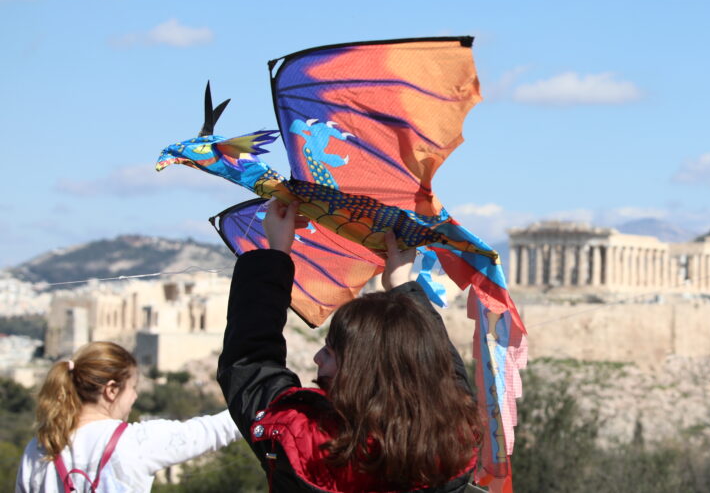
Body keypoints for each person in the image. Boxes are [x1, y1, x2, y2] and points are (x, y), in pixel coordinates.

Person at [218, 199, 479, 493]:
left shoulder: (300, 441)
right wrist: (403, 289)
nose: (317, 357)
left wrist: (276, 253)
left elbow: (249, 362)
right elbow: (445, 375)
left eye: (330, 352)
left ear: (360, 371)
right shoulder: (451, 446)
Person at [17, 341, 239, 492]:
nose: (135, 396)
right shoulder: (135, 442)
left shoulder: (39, 448)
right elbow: (216, 430)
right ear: (111, 390)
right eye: (132, 387)